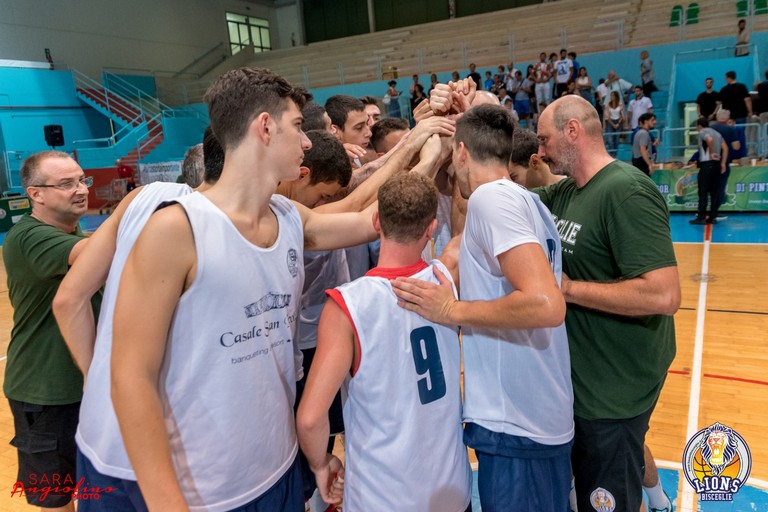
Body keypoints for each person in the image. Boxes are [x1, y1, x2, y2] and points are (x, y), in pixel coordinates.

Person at [109, 67, 384, 511]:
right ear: (265, 127)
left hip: (277, 468)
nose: (308, 140)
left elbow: (368, 221)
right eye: (298, 127)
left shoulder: (289, 216)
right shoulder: (177, 228)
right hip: (205, 490)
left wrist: (430, 146)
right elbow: (130, 377)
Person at [392, 104, 573, 511]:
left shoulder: (492, 200)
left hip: (518, 421)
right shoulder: (525, 200)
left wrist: (451, 311)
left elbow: (546, 304)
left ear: (459, 152)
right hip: (534, 414)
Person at [534, 95, 681, 512]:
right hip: (587, 388)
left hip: (616, 392)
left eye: (545, 139)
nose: (540, 151)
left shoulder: (626, 190)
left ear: (573, 131)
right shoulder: (565, 193)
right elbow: (498, 189)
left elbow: (664, 294)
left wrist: (567, 288)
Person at [297, 173, 471, 511]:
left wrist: (321, 465)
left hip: (383, 496)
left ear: (376, 221)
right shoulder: (445, 279)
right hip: (451, 490)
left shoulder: (347, 305)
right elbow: (464, 234)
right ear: (431, 228)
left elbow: (309, 419)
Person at [4, 150, 99, 512]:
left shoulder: (80, 235)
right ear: (35, 194)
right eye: (66, 184)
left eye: (82, 180)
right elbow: (94, 253)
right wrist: (136, 209)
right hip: (46, 394)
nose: (80, 190)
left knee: (92, 486)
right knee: (55, 497)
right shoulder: (28, 237)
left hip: (87, 387)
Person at [691, 118, 728, 225]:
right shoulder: (717, 133)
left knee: (703, 192)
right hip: (717, 165)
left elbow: (709, 139)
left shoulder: (703, 132)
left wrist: (712, 153)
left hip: (707, 165)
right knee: (714, 192)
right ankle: (713, 217)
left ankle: (701, 217)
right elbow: (725, 148)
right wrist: (723, 163)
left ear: (699, 126)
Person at [603, 91, 625, 157]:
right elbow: (607, 116)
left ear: (616, 96)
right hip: (610, 122)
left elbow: (622, 115)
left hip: (618, 121)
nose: (611, 97)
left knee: (616, 138)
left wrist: (618, 123)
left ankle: (615, 154)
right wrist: (613, 124)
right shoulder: (608, 105)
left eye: (613, 95)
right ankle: (612, 154)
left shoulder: (620, 104)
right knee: (610, 139)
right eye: (611, 95)